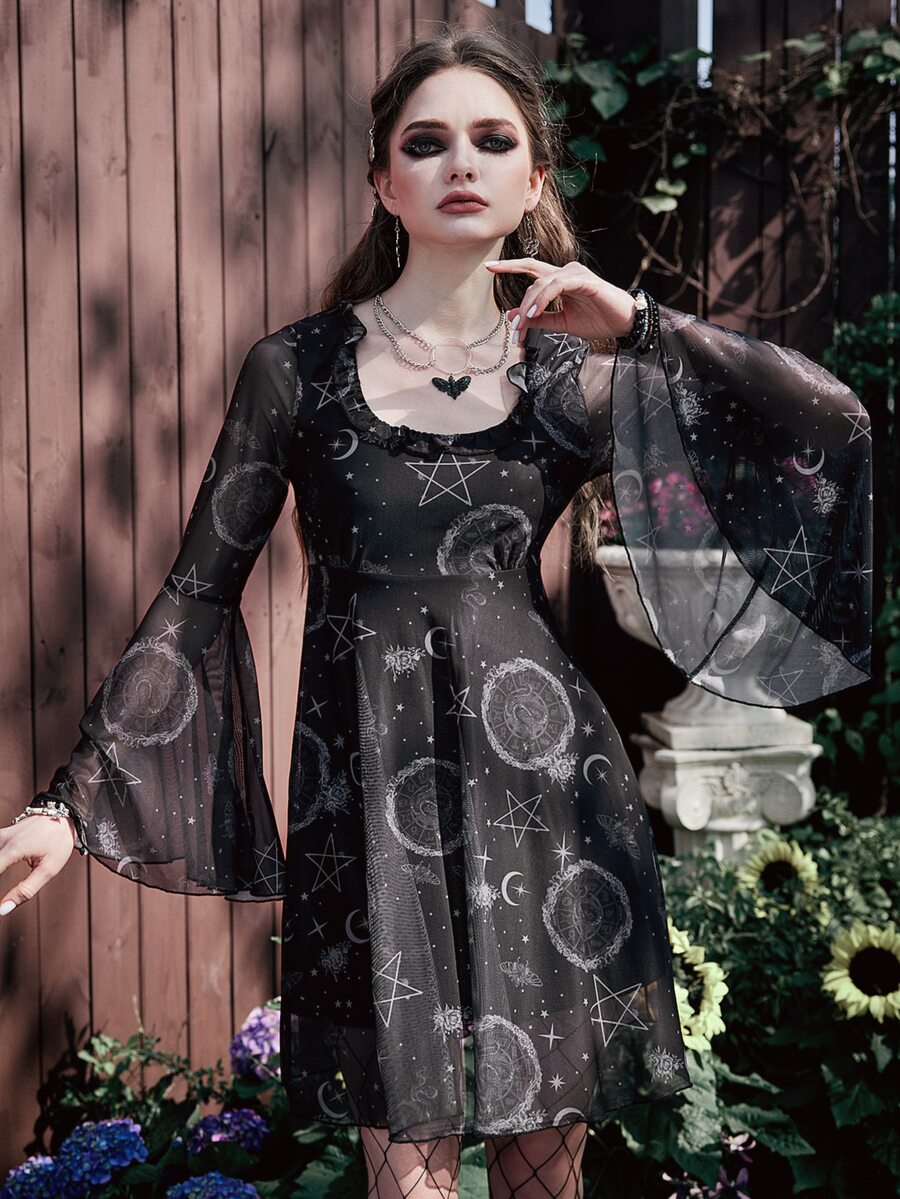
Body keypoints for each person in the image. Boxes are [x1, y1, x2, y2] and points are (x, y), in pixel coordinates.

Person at [0, 25, 872, 1199]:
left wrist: (640, 323)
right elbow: (196, 594)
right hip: (367, 812)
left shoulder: (573, 376)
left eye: (493, 140)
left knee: (540, 1179)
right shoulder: (297, 370)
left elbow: (829, 424)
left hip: (550, 802)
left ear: (533, 178)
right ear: (383, 182)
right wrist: (71, 800)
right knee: (405, 1182)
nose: (462, 161)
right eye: (427, 142)